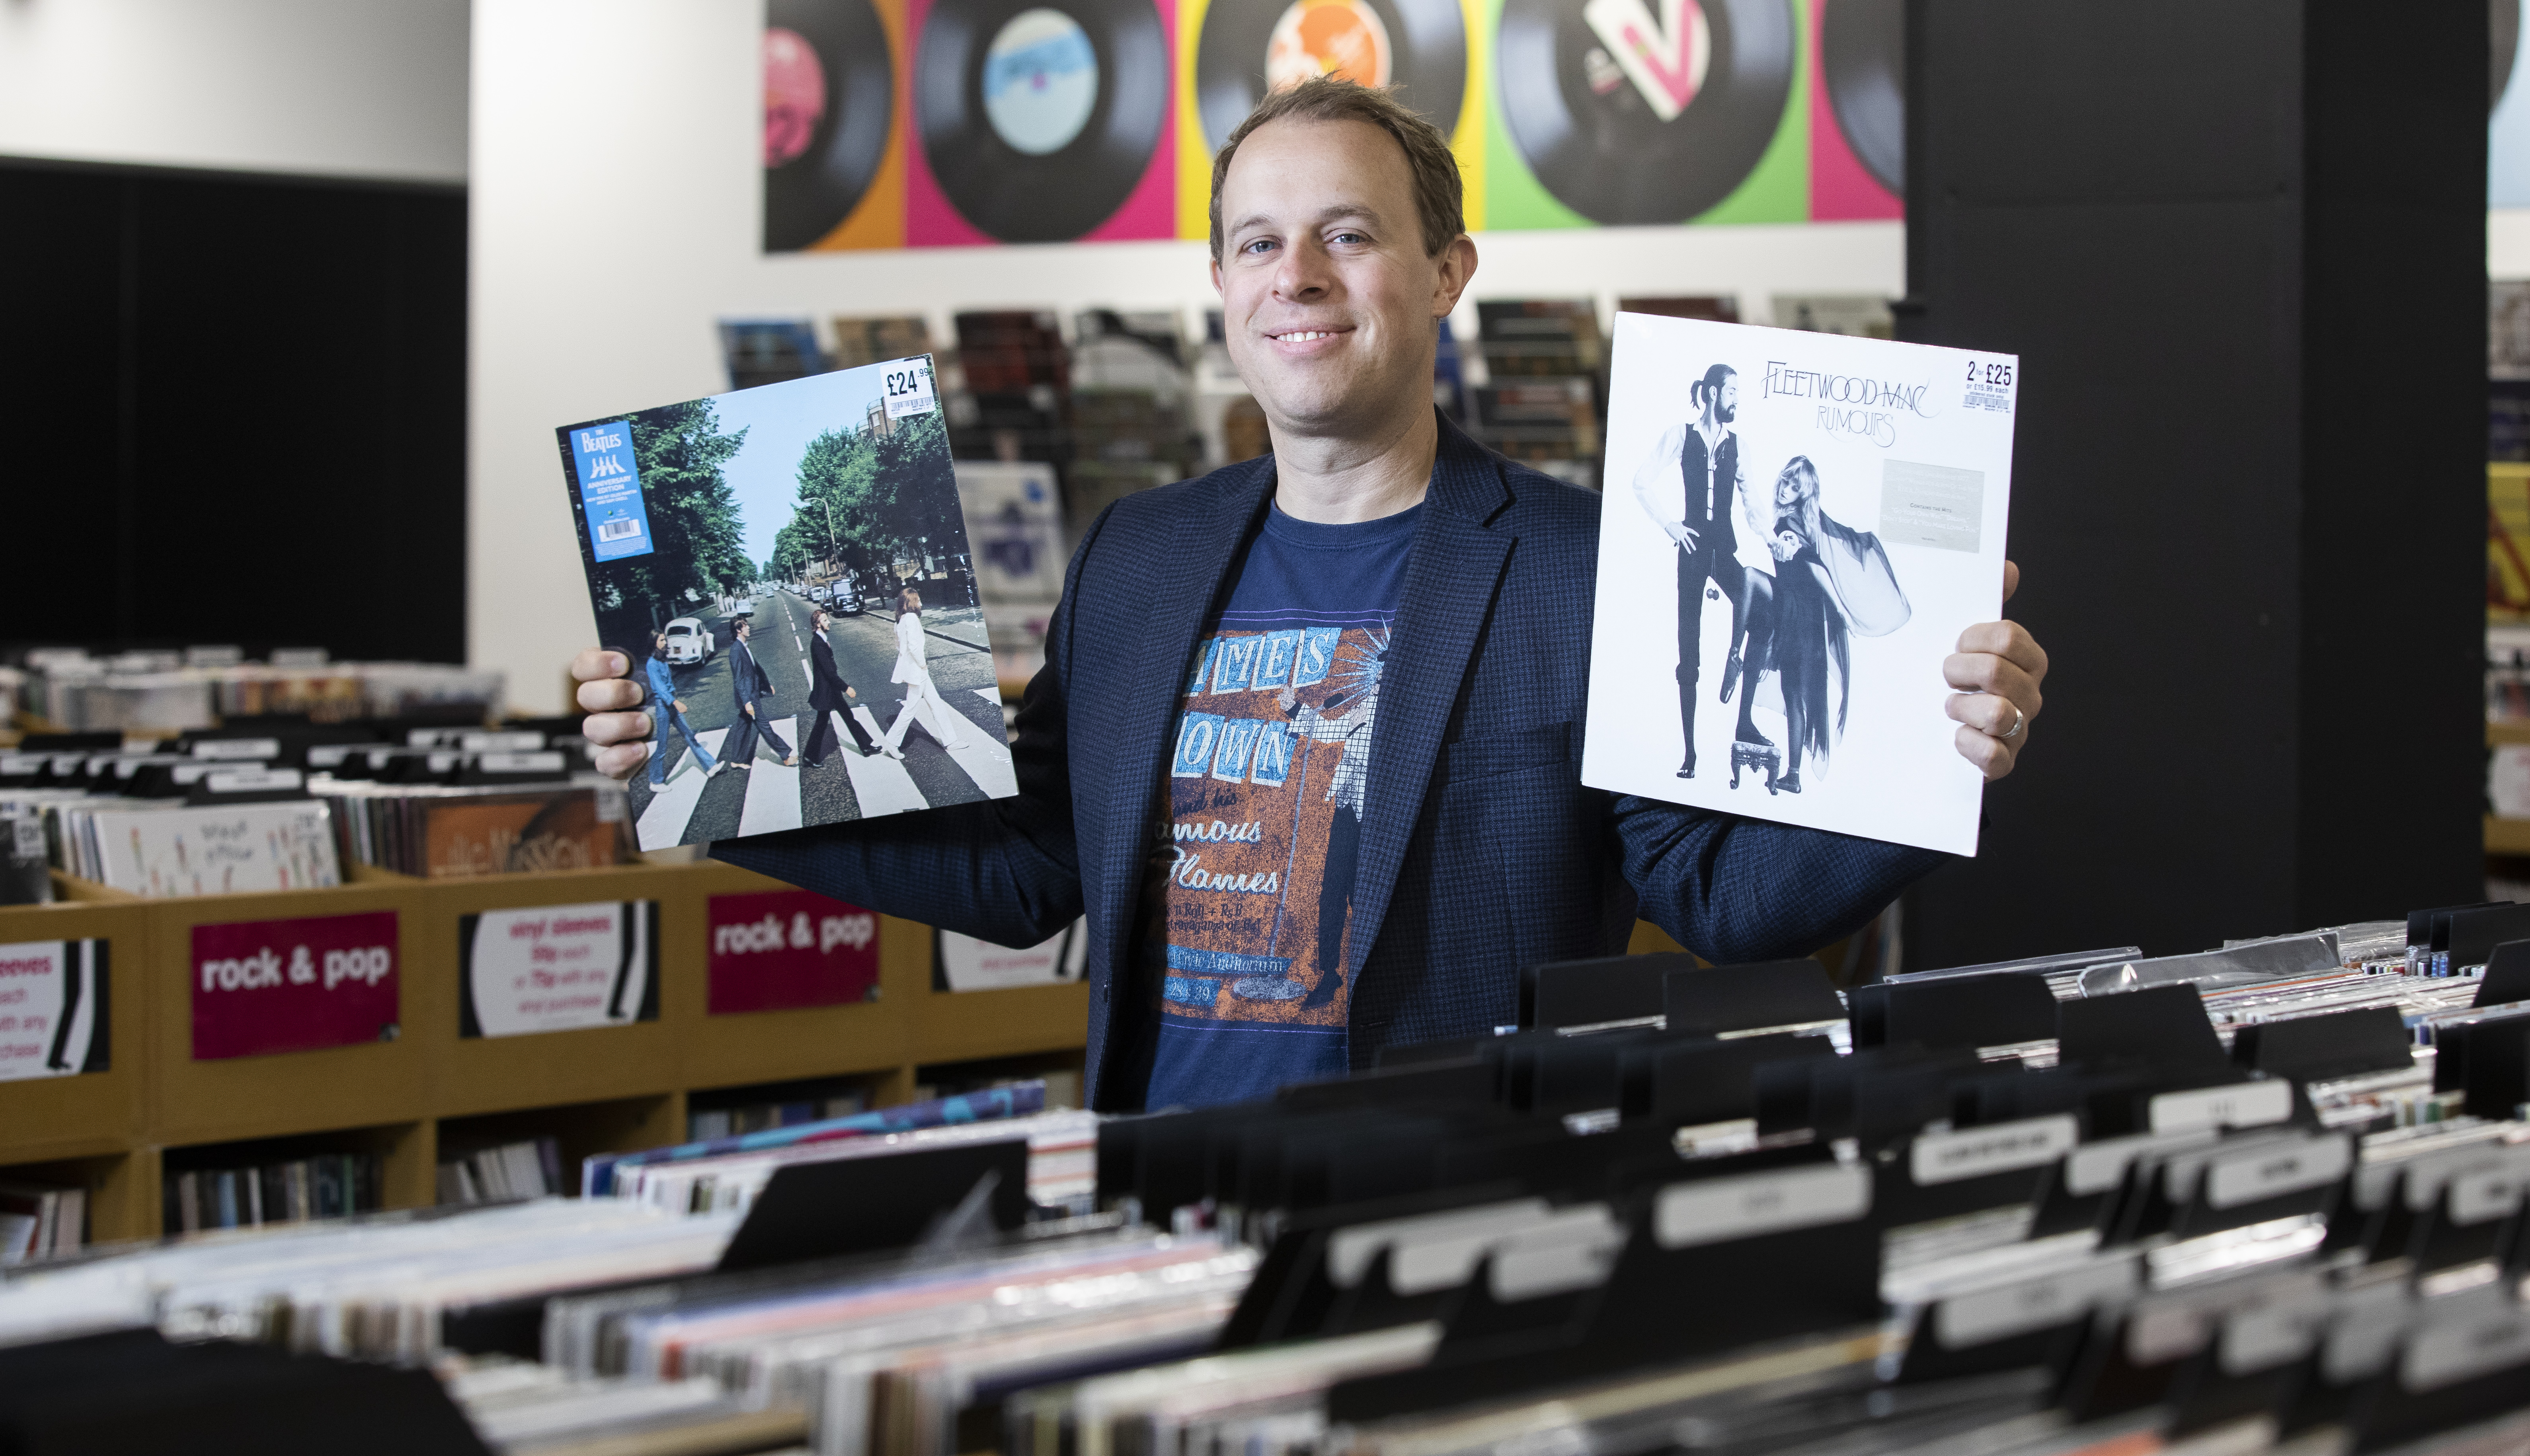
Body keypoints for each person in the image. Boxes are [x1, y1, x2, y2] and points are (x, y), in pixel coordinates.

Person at [573, 74, 2052, 1109]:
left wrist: (1930, 755)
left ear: (1444, 270)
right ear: (1219, 283)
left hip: (1443, 1200)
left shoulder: (1579, 560)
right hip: (1160, 1188)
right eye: (1258, 240)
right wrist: (705, 771)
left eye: (1347, 233)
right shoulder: (1140, 553)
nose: (1301, 275)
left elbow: (1721, 896)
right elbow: (1028, 863)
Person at [1632, 363, 1749, 779]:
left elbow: (1751, 503)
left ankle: (1737, 658)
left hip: (1725, 548)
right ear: (1715, 392)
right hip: (1694, 548)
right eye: (1733, 390)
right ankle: (1690, 755)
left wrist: (1774, 541)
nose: (1738, 398)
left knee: (1757, 603)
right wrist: (1670, 525)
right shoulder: (1680, 436)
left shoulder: (1738, 444)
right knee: (1689, 645)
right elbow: (1641, 481)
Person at [880, 589, 969, 753]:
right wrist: (923, 665)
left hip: (914, 670)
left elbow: (899, 647)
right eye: (918, 600)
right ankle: (892, 743)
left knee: (936, 704)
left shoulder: (899, 621)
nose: (921, 603)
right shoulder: (912, 619)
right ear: (909, 603)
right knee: (911, 708)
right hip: (918, 671)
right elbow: (914, 647)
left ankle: (951, 741)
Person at [799, 608, 882, 765]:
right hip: (826, 691)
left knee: (849, 717)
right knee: (821, 724)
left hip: (831, 690)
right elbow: (829, 673)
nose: (828, 622)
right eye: (824, 620)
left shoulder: (822, 639)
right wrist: (846, 688)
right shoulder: (817, 643)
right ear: (817, 625)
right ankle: (809, 757)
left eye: (827, 619)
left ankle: (865, 747)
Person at [640, 630, 719, 788]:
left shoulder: (662, 661)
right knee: (662, 746)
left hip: (671, 703)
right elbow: (661, 690)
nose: (665, 643)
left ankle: (710, 766)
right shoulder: (652, 664)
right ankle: (655, 782)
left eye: (665, 640)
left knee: (690, 736)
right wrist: (676, 703)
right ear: (654, 643)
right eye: (662, 640)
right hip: (664, 707)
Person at [722, 617, 798, 770]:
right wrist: (747, 702)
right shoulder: (736, 650)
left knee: (743, 726)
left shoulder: (743, 646)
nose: (749, 628)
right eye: (745, 626)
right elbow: (739, 679)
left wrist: (766, 686)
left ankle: (737, 759)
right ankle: (786, 755)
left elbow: (754, 671)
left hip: (752, 693)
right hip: (749, 697)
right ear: (738, 630)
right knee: (764, 726)